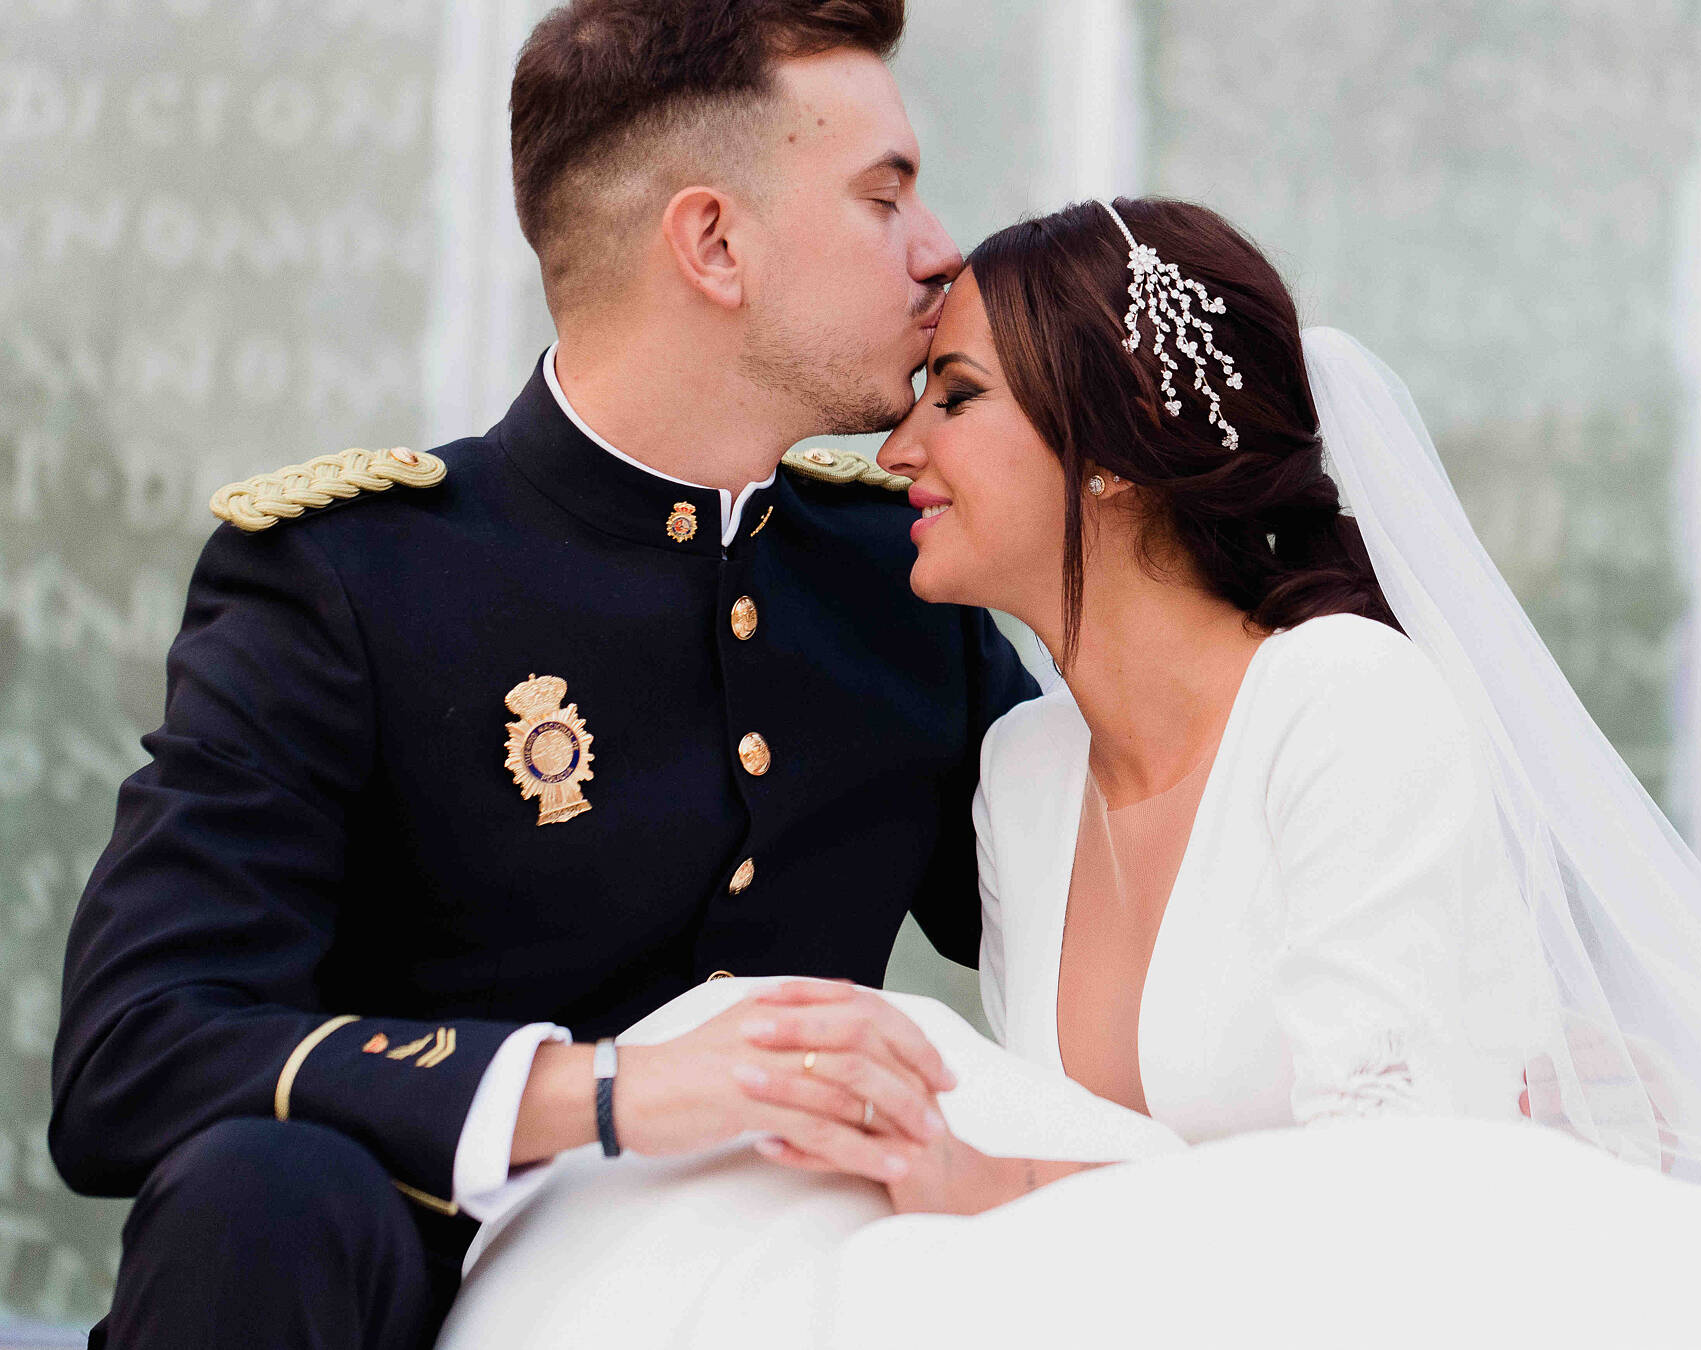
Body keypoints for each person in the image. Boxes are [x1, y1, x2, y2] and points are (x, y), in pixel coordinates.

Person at [437, 197, 1701, 1349]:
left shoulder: (1345, 705)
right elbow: (1136, 1180)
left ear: (1116, 454)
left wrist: (985, 1183)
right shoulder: (1022, 772)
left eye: (958, 397)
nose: (900, 448)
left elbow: (1398, 1209)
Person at [47, 3, 1039, 1346]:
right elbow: (135, 1048)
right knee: (255, 1194)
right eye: (885, 196)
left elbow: (1106, 936)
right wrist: (609, 1090)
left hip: (782, 1294)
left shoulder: (895, 578)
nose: (938, 251)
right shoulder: (351, 578)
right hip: (416, 1290)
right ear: (713, 243)